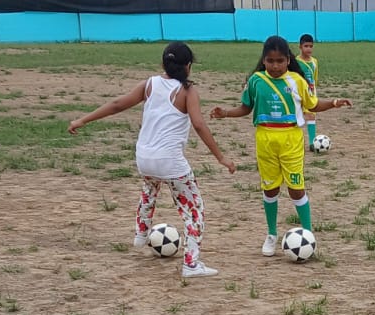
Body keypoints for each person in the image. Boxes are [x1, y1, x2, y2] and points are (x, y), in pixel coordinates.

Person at [66, 41, 235, 280]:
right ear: (188, 66)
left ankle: (141, 233)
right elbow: (199, 124)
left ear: (163, 64)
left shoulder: (149, 84)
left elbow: (117, 105)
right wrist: (221, 157)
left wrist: (82, 120)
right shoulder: (187, 91)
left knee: (150, 188)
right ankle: (191, 264)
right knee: (194, 211)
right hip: (170, 162)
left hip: (144, 158)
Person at [211, 35, 351, 256]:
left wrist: (334, 102)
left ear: (288, 60)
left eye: (280, 61)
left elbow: (313, 104)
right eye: (270, 61)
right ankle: (271, 234)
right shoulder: (256, 81)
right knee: (270, 188)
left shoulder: (297, 81)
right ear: (263, 60)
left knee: (296, 188)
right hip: (265, 140)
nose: (275, 66)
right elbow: (246, 108)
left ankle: (308, 234)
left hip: (291, 140)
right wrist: (225, 113)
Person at [293, 33, 322, 150]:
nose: (308, 49)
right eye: (306, 46)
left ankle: (312, 143)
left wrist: (314, 89)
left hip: (310, 93)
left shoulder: (314, 61)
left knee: (311, 115)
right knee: (296, 116)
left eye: (311, 46)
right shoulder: (295, 61)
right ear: (300, 47)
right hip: (297, 92)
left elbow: (315, 77)